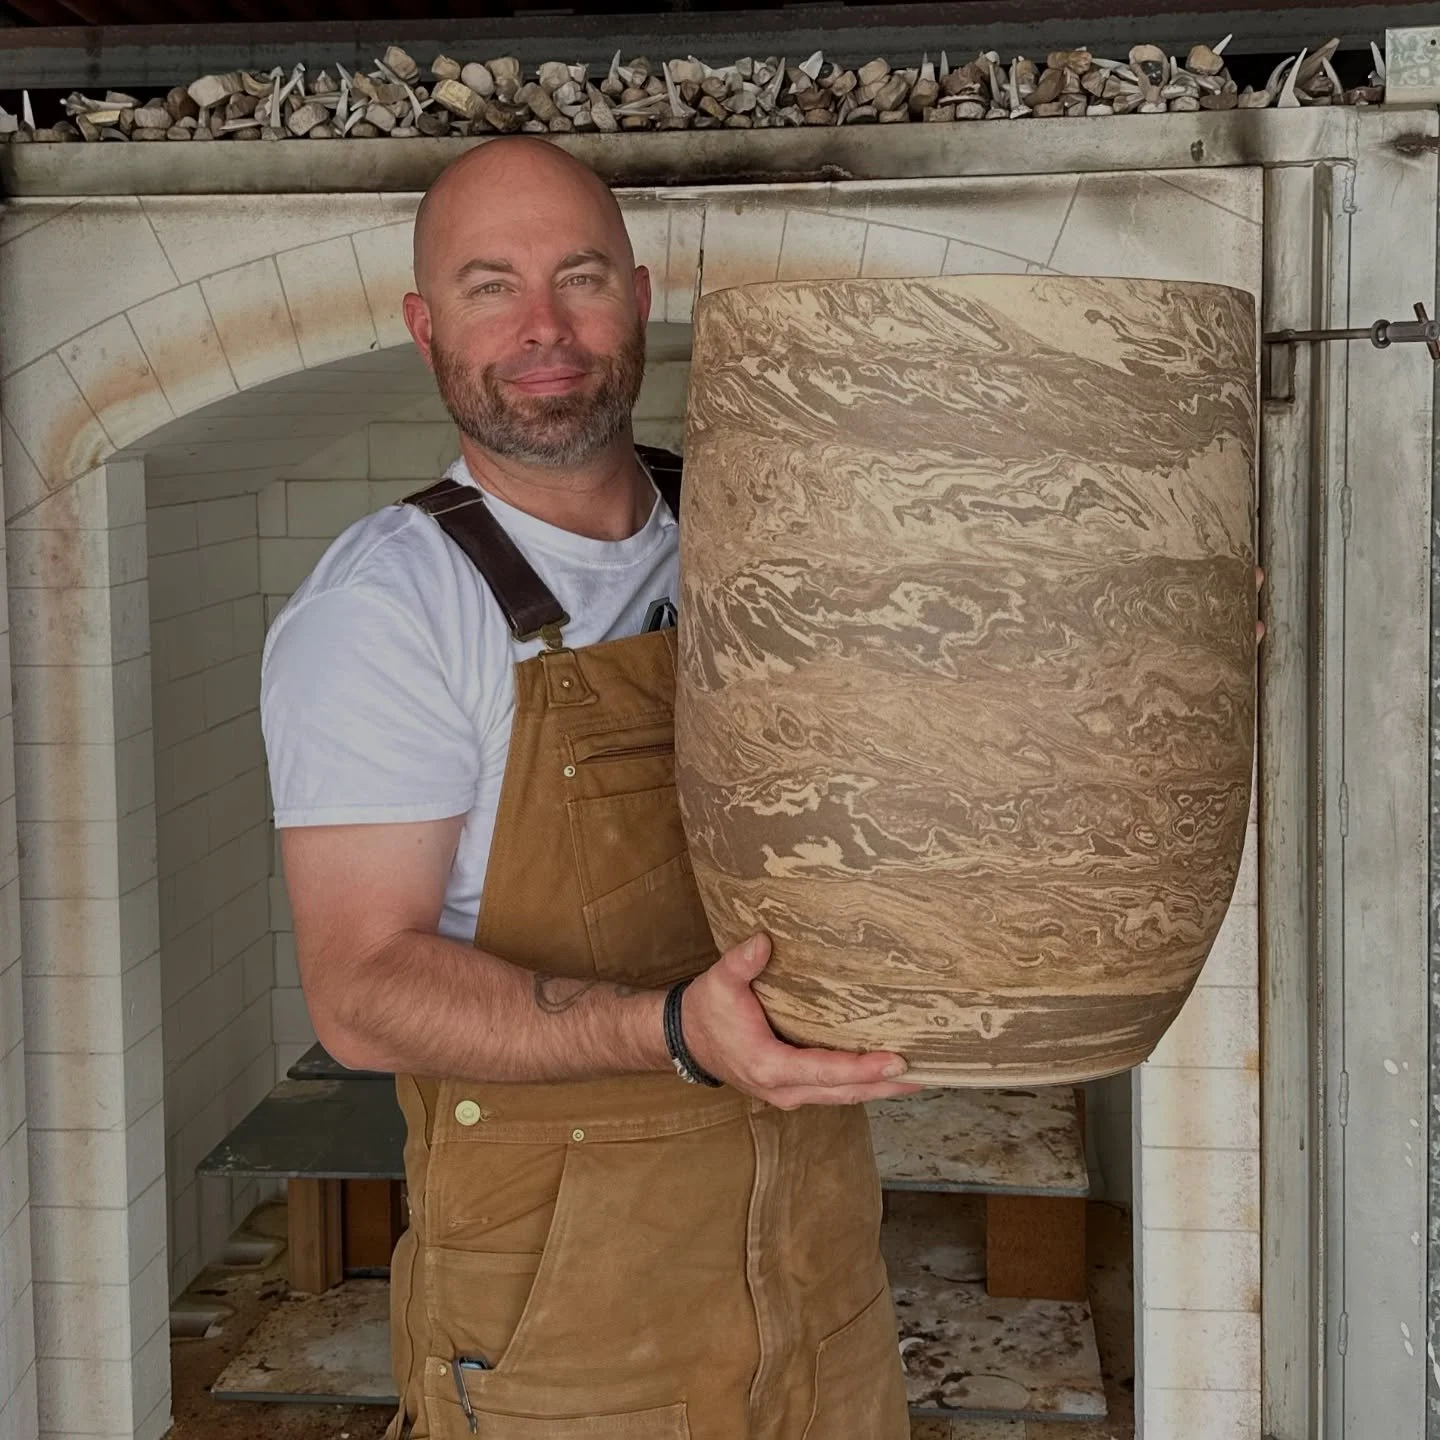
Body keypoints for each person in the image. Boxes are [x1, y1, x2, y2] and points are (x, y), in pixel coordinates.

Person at [260, 136, 918, 1440]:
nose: (544, 327)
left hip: (816, 1275)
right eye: (490, 285)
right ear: (423, 323)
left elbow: (921, 737)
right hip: (565, 1322)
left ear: (642, 292)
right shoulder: (387, 609)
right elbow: (359, 995)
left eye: (581, 277)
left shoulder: (758, 526)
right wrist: (672, 1031)